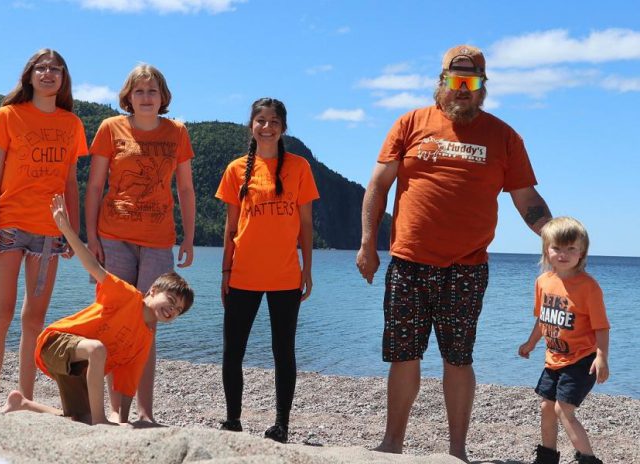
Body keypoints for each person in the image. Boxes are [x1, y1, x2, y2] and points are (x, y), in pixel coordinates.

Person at [356, 45, 552, 461]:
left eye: (472, 81)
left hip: (466, 267)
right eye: (456, 80)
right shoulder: (410, 123)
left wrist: (553, 235)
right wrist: (366, 244)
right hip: (408, 262)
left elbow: (526, 198)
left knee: (458, 358)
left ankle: (457, 451)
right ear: (441, 81)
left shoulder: (504, 136)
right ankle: (392, 445)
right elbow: (378, 186)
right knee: (403, 355)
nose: (463, 89)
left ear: (483, 86)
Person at [1, 194, 194, 425]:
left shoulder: (145, 339)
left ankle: (22, 405)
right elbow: (92, 265)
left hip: (79, 367)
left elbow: (126, 386)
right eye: (170, 300)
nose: (172, 309)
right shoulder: (126, 295)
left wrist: (122, 421)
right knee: (97, 349)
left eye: (178, 310)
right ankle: (100, 421)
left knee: (79, 419)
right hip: (56, 343)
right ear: (152, 290)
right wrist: (65, 227)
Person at [85, 64, 195, 424]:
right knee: (115, 322)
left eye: (152, 91)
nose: (146, 97)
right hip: (113, 235)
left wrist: (190, 237)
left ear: (163, 97)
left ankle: (144, 412)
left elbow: (185, 189)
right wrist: (92, 239)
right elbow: (95, 187)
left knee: (147, 326)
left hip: (158, 239)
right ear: (128, 96)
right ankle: (115, 410)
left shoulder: (177, 132)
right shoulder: (110, 128)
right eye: (139, 91)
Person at [0, 49, 88, 410]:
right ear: (29, 76)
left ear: (63, 79)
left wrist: (72, 231)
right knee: (3, 312)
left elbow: (71, 182)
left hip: (49, 231)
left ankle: (23, 398)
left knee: (35, 318)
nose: (48, 74)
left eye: (55, 69)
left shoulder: (71, 123)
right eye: (41, 68)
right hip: (9, 224)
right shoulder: (8, 115)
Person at [215, 98, 319, 443]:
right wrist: (225, 272)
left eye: (274, 121)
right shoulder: (235, 169)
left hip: (285, 275)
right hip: (243, 273)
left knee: (283, 351)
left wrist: (307, 269)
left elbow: (306, 224)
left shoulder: (299, 167)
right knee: (233, 350)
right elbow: (230, 227)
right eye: (260, 120)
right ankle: (232, 420)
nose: (267, 126)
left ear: (283, 127)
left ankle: (281, 425)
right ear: (252, 126)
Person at [518, 217, 609, 464]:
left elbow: (601, 326)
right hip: (554, 360)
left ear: (582, 252)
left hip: (583, 360)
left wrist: (601, 357)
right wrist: (530, 343)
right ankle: (547, 456)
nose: (563, 254)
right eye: (557, 247)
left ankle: (588, 459)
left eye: (571, 248)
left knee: (563, 409)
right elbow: (543, 319)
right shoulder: (543, 282)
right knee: (546, 408)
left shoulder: (589, 287)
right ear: (546, 250)